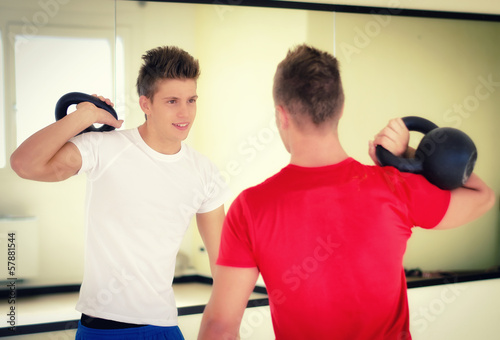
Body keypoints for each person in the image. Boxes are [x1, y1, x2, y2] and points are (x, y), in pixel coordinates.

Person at [197, 44, 495, 340]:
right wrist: (410, 156)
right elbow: (482, 195)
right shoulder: (395, 187)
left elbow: (219, 328)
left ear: (281, 115)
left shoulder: (250, 207)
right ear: (340, 107)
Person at [10, 46, 231, 340]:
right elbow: (24, 164)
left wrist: (226, 327)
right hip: (103, 326)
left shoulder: (204, 172)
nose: (185, 112)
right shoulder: (104, 148)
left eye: (191, 100)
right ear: (146, 103)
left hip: (164, 326)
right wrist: (83, 116)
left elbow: (224, 263)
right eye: (172, 101)